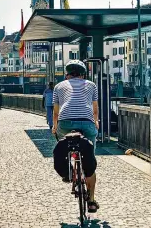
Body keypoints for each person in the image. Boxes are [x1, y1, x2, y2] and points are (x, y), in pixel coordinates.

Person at [52, 59, 100, 213]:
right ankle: (91, 201)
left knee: (62, 141)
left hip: (65, 123)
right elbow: (95, 110)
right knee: (90, 153)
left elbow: (56, 112)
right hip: (87, 123)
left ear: (67, 75)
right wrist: (96, 122)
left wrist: (55, 126)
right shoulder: (91, 85)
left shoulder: (59, 87)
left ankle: (69, 171)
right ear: (83, 74)